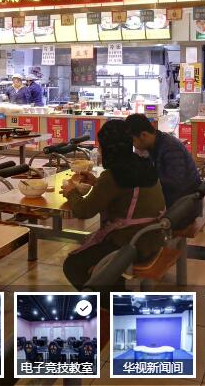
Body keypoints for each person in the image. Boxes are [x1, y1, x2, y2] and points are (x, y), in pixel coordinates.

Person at [61, 120, 166, 289]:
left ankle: (104, 301)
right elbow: (126, 191)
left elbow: (84, 210)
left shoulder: (113, 175)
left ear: (107, 149)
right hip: (153, 237)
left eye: (100, 146)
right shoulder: (143, 164)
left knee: (73, 265)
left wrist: (71, 191)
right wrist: (97, 183)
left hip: (131, 244)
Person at [124, 113, 201, 210]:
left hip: (185, 202)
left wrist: (144, 181)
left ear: (143, 135)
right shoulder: (154, 144)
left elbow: (175, 182)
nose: (133, 145)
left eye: (133, 141)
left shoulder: (170, 147)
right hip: (176, 197)